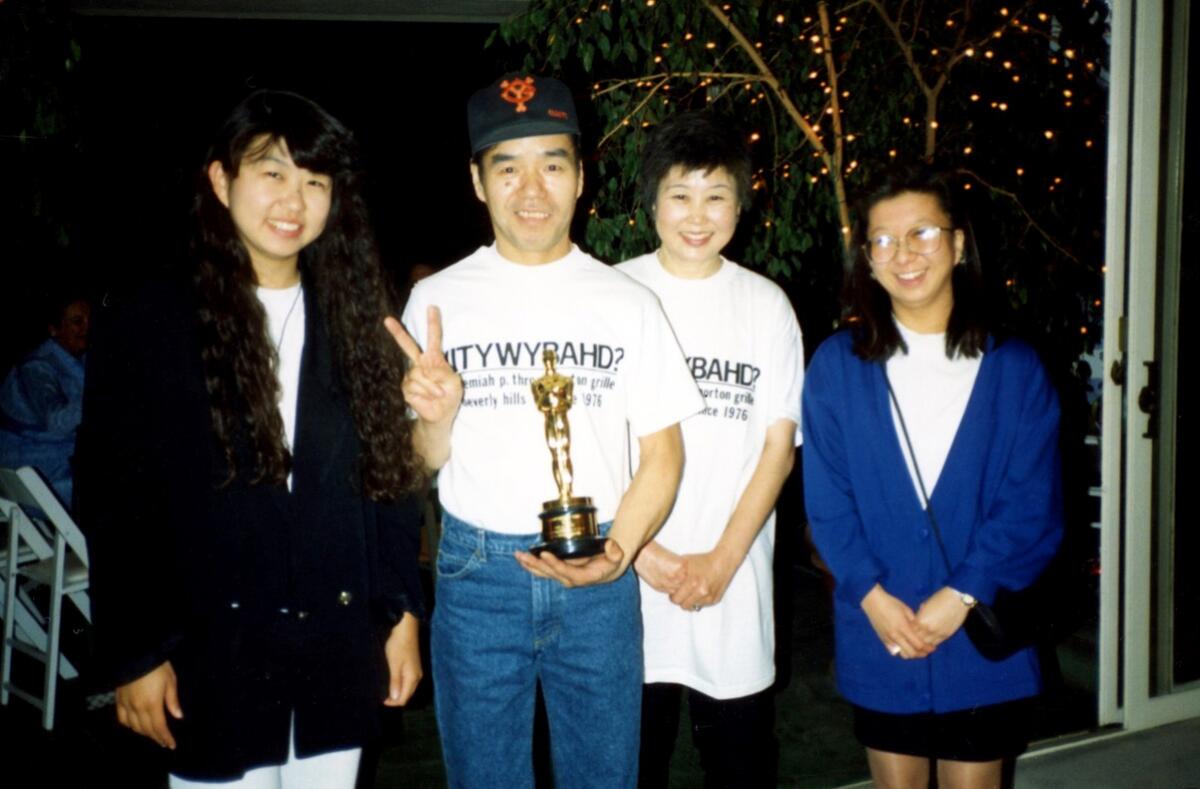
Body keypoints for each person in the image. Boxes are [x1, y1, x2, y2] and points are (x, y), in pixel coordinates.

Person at [76, 90, 425, 788]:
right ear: (220, 179)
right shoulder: (152, 322)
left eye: (315, 180)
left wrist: (403, 611)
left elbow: (386, 484)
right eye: (272, 172)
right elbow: (114, 498)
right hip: (212, 653)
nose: (294, 199)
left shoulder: (358, 320)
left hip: (334, 647)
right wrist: (137, 654)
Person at [385, 74, 703, 789]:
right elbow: (417, 465)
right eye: (508, 167)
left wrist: (618, 552)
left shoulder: (628, 301)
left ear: (581, 176)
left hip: (600, 576)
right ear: (477, 180)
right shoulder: (436, 302)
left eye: (552, 164)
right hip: (475, 578)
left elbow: (663, 452)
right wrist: (435, 422)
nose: (532, 189)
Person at [801, 164, 1063, 789]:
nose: (904, 254)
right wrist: (871, 596)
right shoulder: (838, 365)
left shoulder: (1015, 369)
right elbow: (828, 504)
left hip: (979, 636)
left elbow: (1031, 508)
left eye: (922, 232)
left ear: (958, 242)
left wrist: (961, 594)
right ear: (866, 259)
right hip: (880, 630)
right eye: (883, 240)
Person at [616, 112, 804, 788]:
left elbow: (778, 448)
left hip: (734, 587)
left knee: (743, 769)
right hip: (630, 587)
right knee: (633, 768)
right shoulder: (615, 292)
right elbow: (590, 448)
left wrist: (723, 560)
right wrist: (643, 553)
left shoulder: (766, 305)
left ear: (740, 204)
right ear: (651, 203)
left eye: (716, 195)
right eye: (680, 194)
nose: (698, 215)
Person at [0, 293, 90, 504]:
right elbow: (56, 420)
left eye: (89, 321)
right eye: (77, 322)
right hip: (30, 474)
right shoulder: (37, 368)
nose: (87, 328)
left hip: (51, 468)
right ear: (54, 329)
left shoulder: (79, 359)